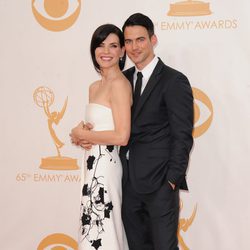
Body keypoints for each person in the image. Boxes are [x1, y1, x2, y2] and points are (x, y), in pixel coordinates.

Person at [119, 13, 194, 250]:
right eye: (128, 41)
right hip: (126, 183)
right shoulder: (122, 80)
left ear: (153, 40)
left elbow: (182, 135)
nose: (134, 47)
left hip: (159, 184)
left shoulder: (174, 80)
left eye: (140, 40)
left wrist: (172, 179)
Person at [70, 24, 131, 250]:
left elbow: (122, 135)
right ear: (94, 50)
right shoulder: (94, 86)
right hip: (90, 163)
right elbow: (97, 128)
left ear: (122, 51)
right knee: (91, 227)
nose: (106, 51)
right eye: (101, 45)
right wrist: (82, 135)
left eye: (113, 45)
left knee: (103, 226)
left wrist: (83, 133)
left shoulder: (120, 85)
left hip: (106, 167)